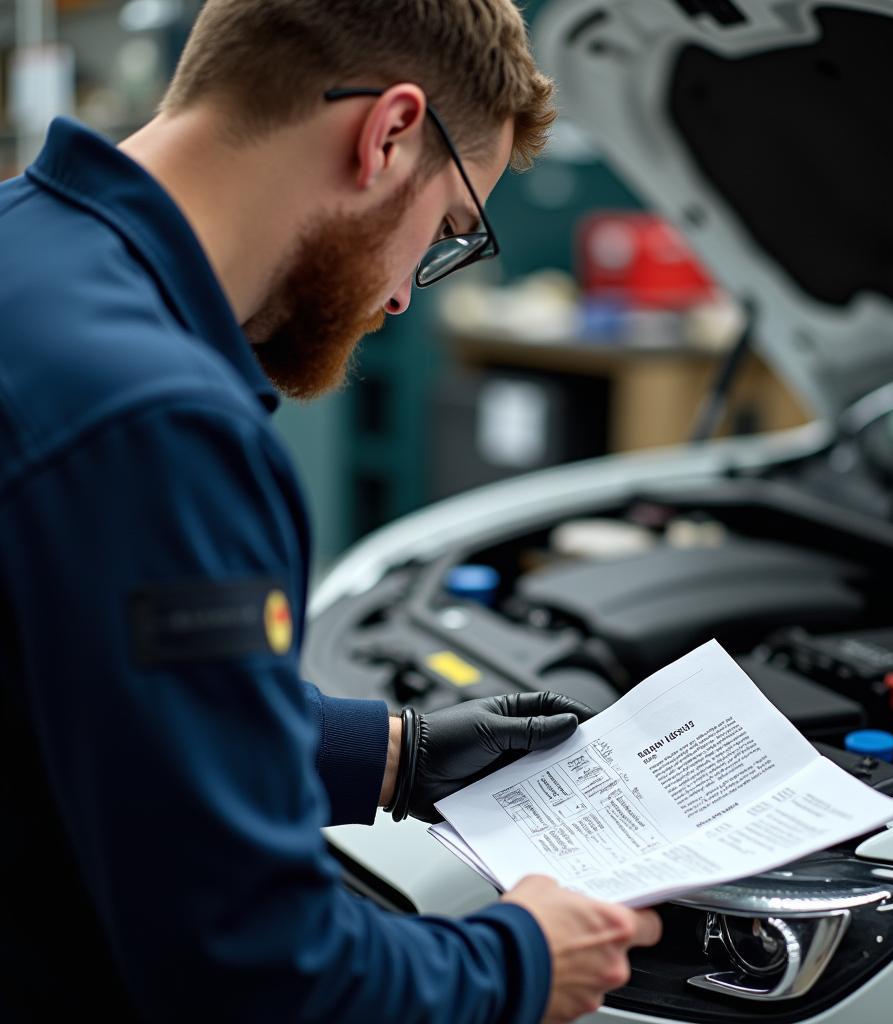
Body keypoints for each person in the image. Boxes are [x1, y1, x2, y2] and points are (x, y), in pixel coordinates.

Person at [0, 1, 662, 1021]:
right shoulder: (159, 423)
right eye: (446, 230)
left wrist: (394, 754)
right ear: (388, 132)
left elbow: (76, 690)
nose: (401, 298)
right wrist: (521, 961)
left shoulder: (24, 249)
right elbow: (255, 969)